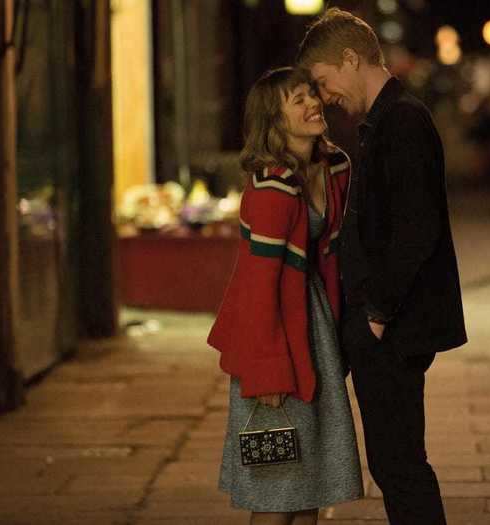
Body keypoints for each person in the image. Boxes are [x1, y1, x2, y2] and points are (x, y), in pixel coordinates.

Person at [297, 8, 467, 525]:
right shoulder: (384, 121)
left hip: (393, 327)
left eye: (325, 82)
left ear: (351, 59)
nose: (326, 98)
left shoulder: (402, 120)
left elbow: (417, 228)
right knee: (394, 463)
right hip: (388, 324)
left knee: (399, 465)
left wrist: (377, 313)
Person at [207, 67, 363, 525]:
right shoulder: (270, 188)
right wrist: (267, 373)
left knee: (310, 486)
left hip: (312, 332)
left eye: (311, 95)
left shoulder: (334, 167)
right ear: (274, 121)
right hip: (276, 340)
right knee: (277, 492)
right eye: (298, 100)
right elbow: (258, 288)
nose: (313, 104)